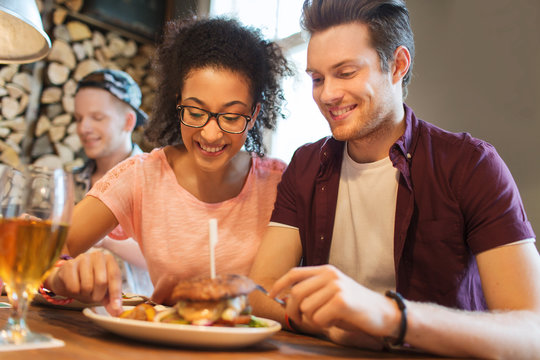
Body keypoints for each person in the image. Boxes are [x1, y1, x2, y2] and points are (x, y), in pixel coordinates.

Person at [249, 0, 540, 358]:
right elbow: (259, 292)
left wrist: (389, 316)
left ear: (398, 65)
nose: (327, 95)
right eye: (317, 78)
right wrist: (330, 327)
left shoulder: (471, 165)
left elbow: (531, 332)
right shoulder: (307, 164)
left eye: (346, 72)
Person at [43, 17, 292, 315]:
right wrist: (60, 276)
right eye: (196, 112)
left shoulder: (282, 184)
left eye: (231, 116)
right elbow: (44, 253)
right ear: (178, 104)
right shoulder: (141, 176)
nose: (211, 134)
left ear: (253, 116)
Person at [72, 69, 153, 295]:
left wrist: (100, 237)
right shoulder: (71, 182)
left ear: (128, 122)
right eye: (78, 118)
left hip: (136, 314)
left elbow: (172, 258)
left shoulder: (157, 179)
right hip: (67, 311)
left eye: (97, 117)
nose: (83, 128)